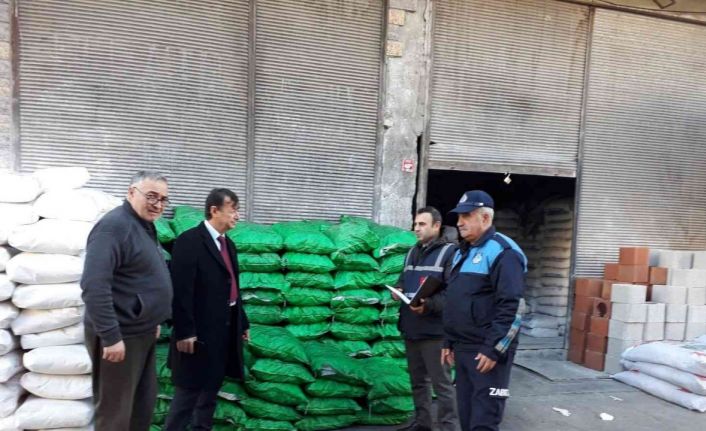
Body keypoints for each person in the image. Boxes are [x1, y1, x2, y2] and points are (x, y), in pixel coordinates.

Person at [80, 171, 173, 431]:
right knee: (115, 413)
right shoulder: (114, 227)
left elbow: (138, 278)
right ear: (131, 192)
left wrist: (152, 319)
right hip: (121, 335)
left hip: (142, 331)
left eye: (163, 199)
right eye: (151, 196)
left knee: (141, 407)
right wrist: (110, 336)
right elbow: (94, 285)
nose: (158, 204)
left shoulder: (143, 226)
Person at [441, 190, 527, 431]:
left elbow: (512, 306)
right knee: (466, 415)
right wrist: (448, 340)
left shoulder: (504, 252)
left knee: (484, 419)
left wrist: (493, 349)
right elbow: (454, 299)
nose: (459, 222)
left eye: (466, 216)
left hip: (486, 351)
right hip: (463, 347)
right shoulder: (462, 251)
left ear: (485, 218)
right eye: (459, 217)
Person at [165, 188, 250, 430]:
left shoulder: (228, 244)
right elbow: (180, 290)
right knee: (188, 394)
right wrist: (184, 331)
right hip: (197, 332)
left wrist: (242, 323)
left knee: (210, 392)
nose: (237, 215)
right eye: (233, 209)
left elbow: (233, 287)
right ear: (214, 210)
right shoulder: (190, 241)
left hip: (223, 330)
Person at [393, 207, 459, 431]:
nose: (416, 228)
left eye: (422, 224)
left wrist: (429, 305)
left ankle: (448, 427)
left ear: (436, 226)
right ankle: (422, 424)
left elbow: (453, 293)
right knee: (418, 382)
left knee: (442, 385)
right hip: (412, 327)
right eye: (415, 224)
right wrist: (398, 289)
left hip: (435, 332)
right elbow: (404, 278)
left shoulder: (451, 252)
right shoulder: (412, 251)